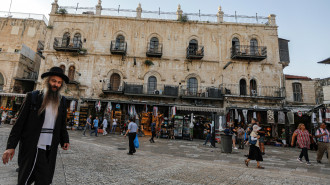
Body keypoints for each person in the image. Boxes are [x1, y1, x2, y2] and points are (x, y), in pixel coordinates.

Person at [2, 66, 70, 185]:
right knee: (25, 180)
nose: (56, 85)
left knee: (45, 181)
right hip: (32, 147)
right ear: (48, 81)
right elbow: (19, 123)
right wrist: (10, 146)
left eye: (59, 82)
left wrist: (65, 139)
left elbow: (61, 124)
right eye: (54, 81)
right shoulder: (33, 97)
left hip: (49, 149)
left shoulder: (62, 101)